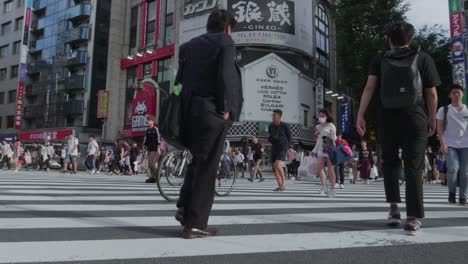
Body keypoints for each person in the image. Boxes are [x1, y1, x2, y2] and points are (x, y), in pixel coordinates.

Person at [356, 21, 440, 235]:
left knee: (391, 162)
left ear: (389, 40)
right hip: (415, 116)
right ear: (411, 39)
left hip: (387, 116)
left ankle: (394, 209)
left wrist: (360, 114)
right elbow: (431, 93)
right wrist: (432, 117)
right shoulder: (423, 57)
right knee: (414, 165)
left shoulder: (380, 58)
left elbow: (369, 87)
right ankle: (412, 219)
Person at [175, 9, 243, 239]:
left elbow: (179, 81)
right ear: (227, 28)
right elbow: (225, 76)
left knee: (196, 162)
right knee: (207, 168)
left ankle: (185, 209)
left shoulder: (189, 45)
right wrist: (225, 109)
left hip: (189, 111)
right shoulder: (226, 43)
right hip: (211, 112)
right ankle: (195, 224)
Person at [436, 84, 468, 205]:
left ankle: (463, 196)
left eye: (458, 92)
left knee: (465, 172)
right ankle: (452, 193)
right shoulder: (444, 110)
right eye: (454, 92)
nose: (456, 94)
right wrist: (442, 143)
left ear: (462, 94)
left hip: (466, 145)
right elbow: (439, 128)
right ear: (450, 95)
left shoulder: (467, 109)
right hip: (450, 144)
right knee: (453, 169)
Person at [312, 109, 338, 197]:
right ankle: (323, 187)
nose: (321, 117)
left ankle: (332, 189)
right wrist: (314, 151)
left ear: (327, 116)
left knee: (331, 169)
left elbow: (334, 139)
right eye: (320, 116)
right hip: (321, 149)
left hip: (330, 148)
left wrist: (332, 134)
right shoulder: (318, 127)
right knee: (320, 168)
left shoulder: (331, 125)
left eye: (323, 116)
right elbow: (319, 140)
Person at [268, 109, 292, 191]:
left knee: (278, 165)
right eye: (273, 115)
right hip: (275, 147)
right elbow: (271, 136)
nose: (273, 117)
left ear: (279, 117)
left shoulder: (284, 125)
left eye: (275, 116)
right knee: (275, 166)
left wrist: (288, 146)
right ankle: (280, 185)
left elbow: (289, 136)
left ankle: (283, 183)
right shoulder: (270, 126)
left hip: (283, 146)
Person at [144, 116, 161, 183]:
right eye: (147, 120)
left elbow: (158, 139)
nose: (148, 121)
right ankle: (152, 177)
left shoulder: (156, 129)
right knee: (149, 164)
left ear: (153, 121)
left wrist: (158, 148)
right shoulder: (147, 130)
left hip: (155, 149)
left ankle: (158, 174)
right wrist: (144, 148)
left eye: (149, 120)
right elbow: (145, 140)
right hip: (149, 149)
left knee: (152, 163)